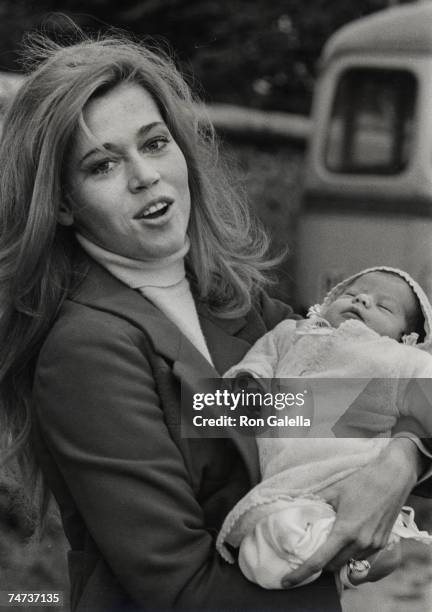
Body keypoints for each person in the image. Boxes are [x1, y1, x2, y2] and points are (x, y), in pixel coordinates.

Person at [0, 25, 429, 612]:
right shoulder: (88, 351)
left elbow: (342, 404)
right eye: (103, 165)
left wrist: (400, 459)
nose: (144, 175)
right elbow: (178, 586)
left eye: (154, 143)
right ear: (63, 206)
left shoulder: (229, 300)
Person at [217, 267, 432, 590]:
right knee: (267, 542)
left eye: (384, 307)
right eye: (351, 293)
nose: (362, 299)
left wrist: (409, 452)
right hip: (288, 467)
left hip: (349, 472)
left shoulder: (397, 358)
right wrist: (250, 380)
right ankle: (345, 564)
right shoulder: (291, 331)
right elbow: (261, 357)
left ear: (408, 338)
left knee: (286, 537)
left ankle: (357, 557)